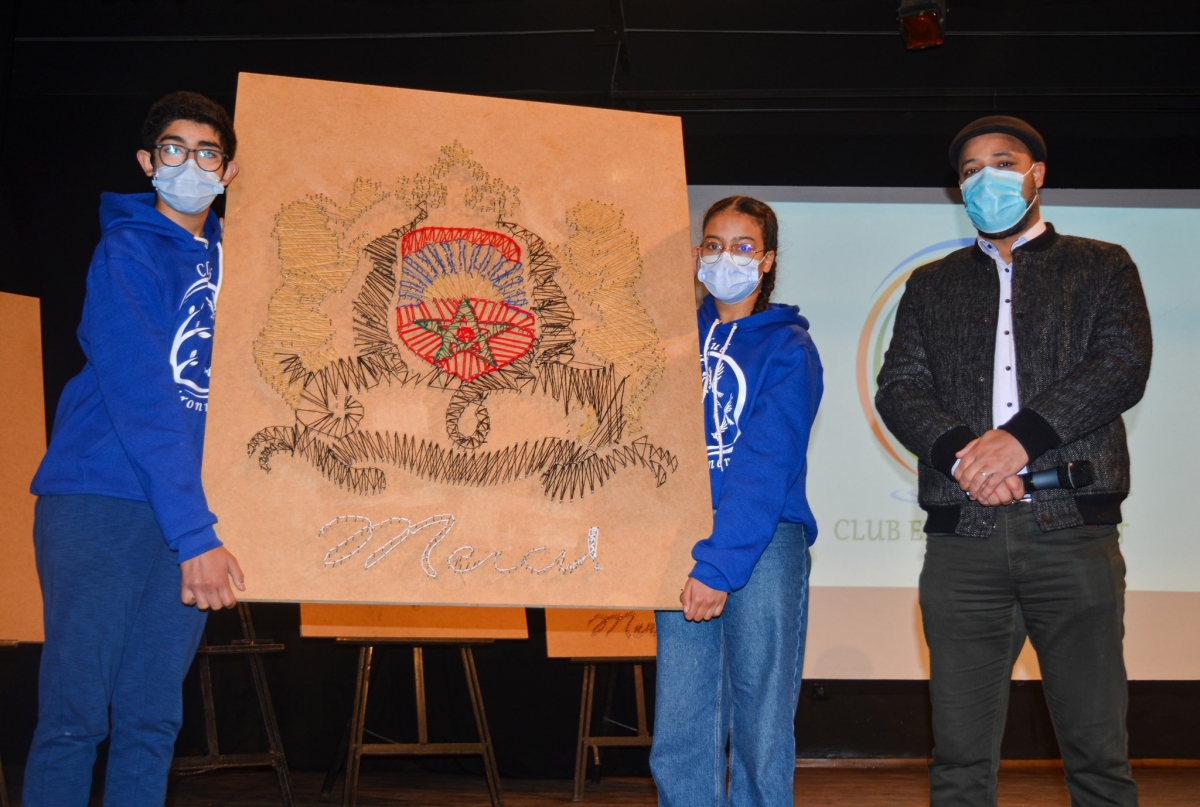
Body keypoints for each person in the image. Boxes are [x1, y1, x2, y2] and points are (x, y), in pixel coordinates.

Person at [875, 115, 1150, 807]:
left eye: (1003, 161)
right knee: (960, 763)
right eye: (971, 170)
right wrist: (966, 457)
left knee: (1098, 757)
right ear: (958, 188)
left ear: (1037, 175)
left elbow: (1120, 366)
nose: (986, 178)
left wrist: (1019, 438)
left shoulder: (1103, 263)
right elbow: (899, 388)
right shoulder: (928, 285)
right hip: (962, 543)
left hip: (1074, 534)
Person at [24, 91, 246, 807]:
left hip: (185, 513)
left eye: (207, 152)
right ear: (150, 164)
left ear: (228, 171)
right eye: (175, 150)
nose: (191, 163)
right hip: (103, 499)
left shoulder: (243, 271)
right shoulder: (125, 250)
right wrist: (196, 534)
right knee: (74, 718)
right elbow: (146, 395)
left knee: (152, 720)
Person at [650, 196, 823, 806]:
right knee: (681, 720)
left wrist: (721, 564)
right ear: (697, 255)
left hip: (762, 539)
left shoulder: (788, 348)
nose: (728, 258)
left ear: (767, 260)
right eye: (715, 245)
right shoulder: (664, 342)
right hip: (682, 536)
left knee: (760, 719)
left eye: (744, 247)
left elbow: (766, 464)